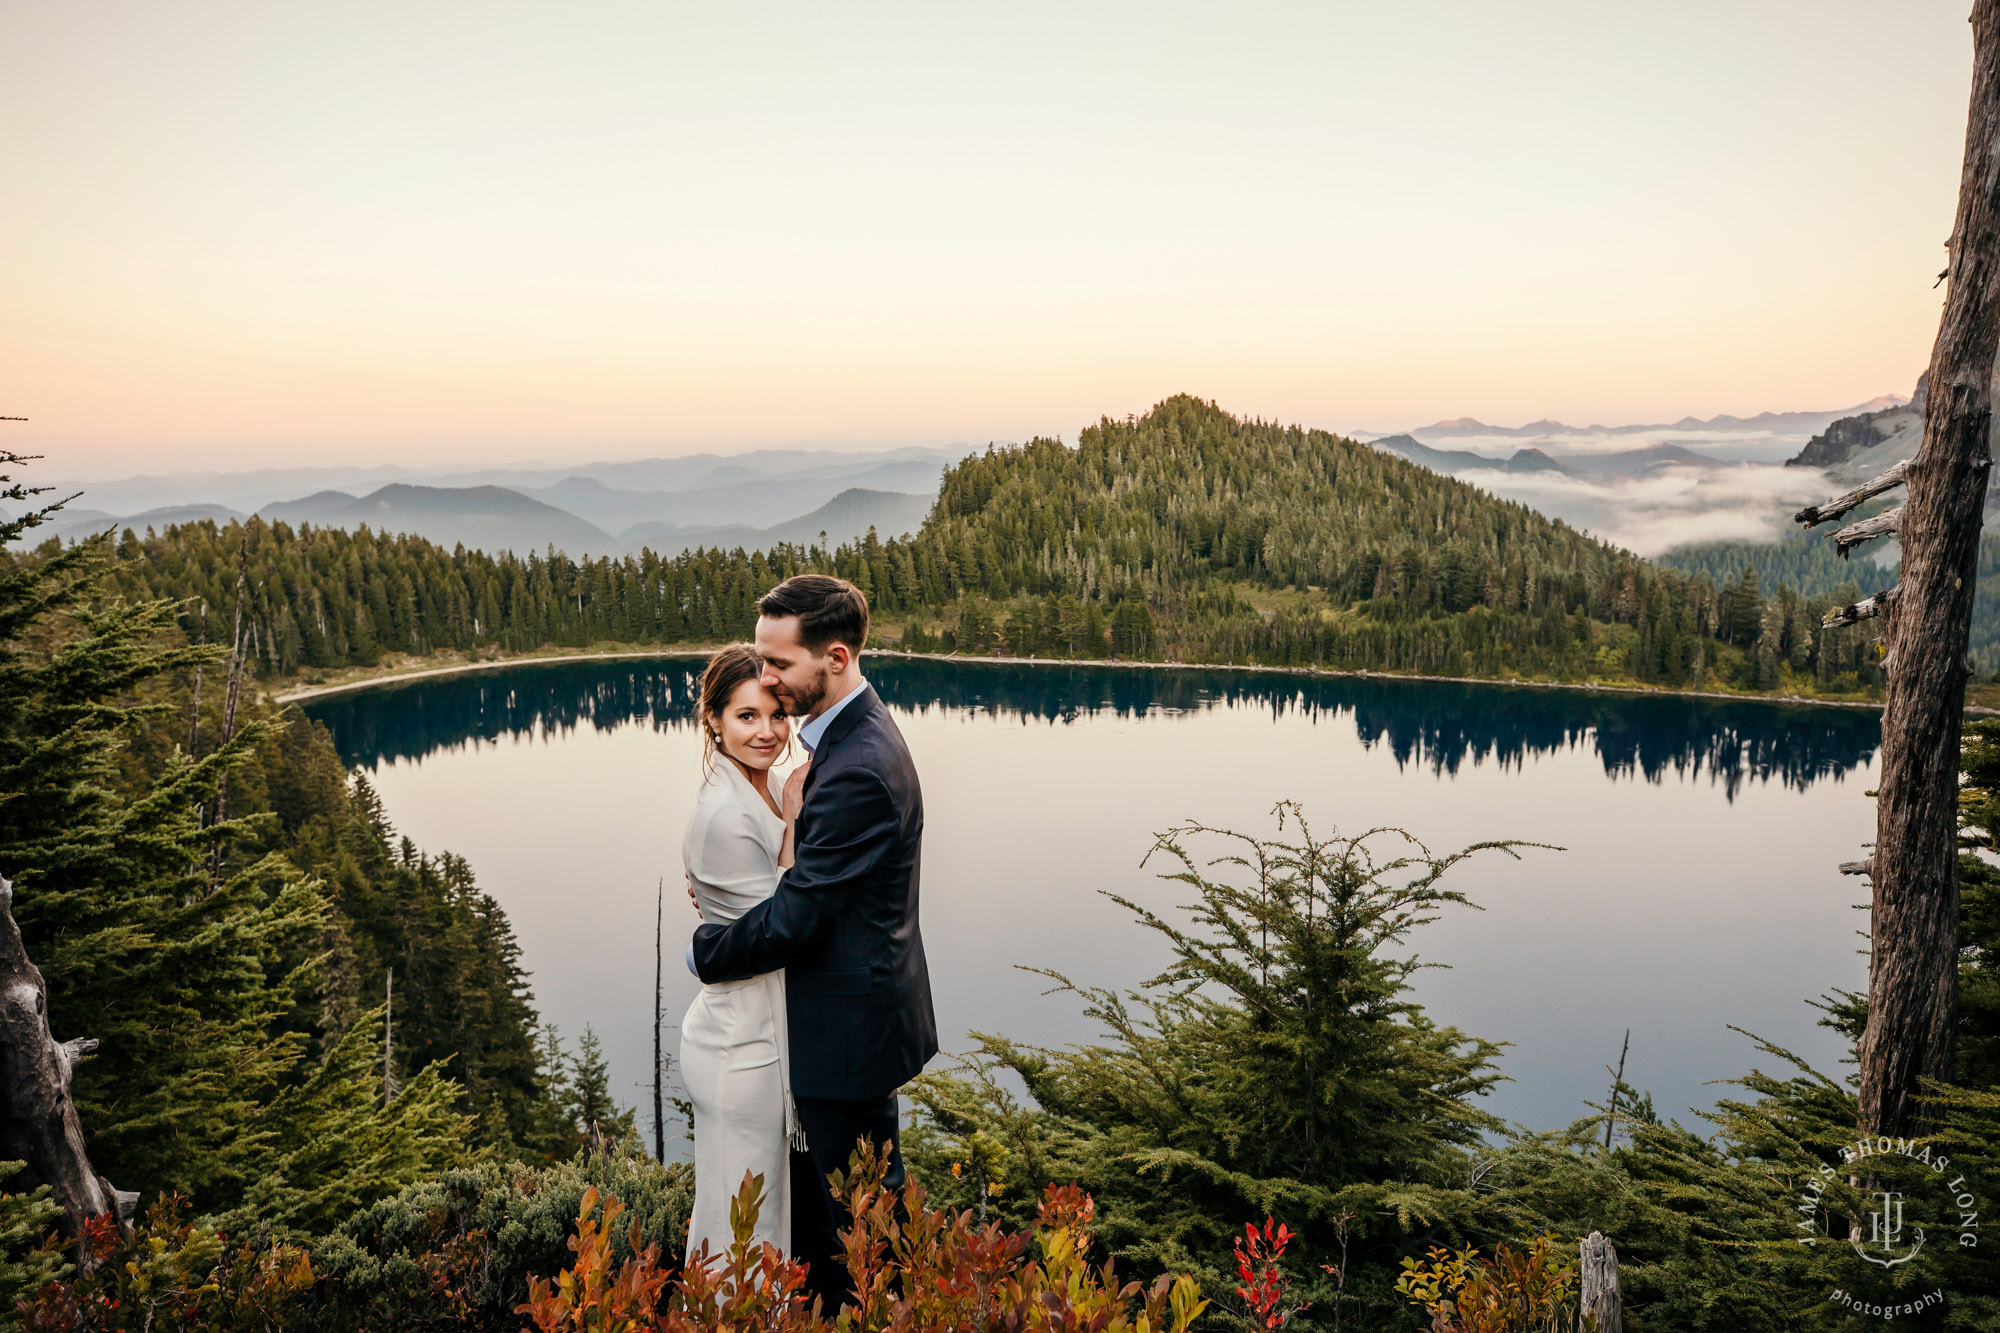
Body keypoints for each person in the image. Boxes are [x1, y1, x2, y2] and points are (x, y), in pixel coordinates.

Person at [690, 574, 936, 1311]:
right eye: (758, 664)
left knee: (861, 1239)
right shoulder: (847, 738)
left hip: (844, 1039)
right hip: (841, 1028)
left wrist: (711, 947)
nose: (765, 677)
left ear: (834, 656)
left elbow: (798, 917)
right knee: (835, 1233)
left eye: (778, 665)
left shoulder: (855, 766)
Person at [679, 644, 804, 1263]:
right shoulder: (726, 815)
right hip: (740, 1051)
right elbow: (787, 926)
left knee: (761, 1221)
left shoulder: (770, 787)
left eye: (777, 716)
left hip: (759, 1038)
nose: (767, 732)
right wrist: (795, 829)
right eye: (746, 717)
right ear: (714, 719)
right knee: (741, 1231)